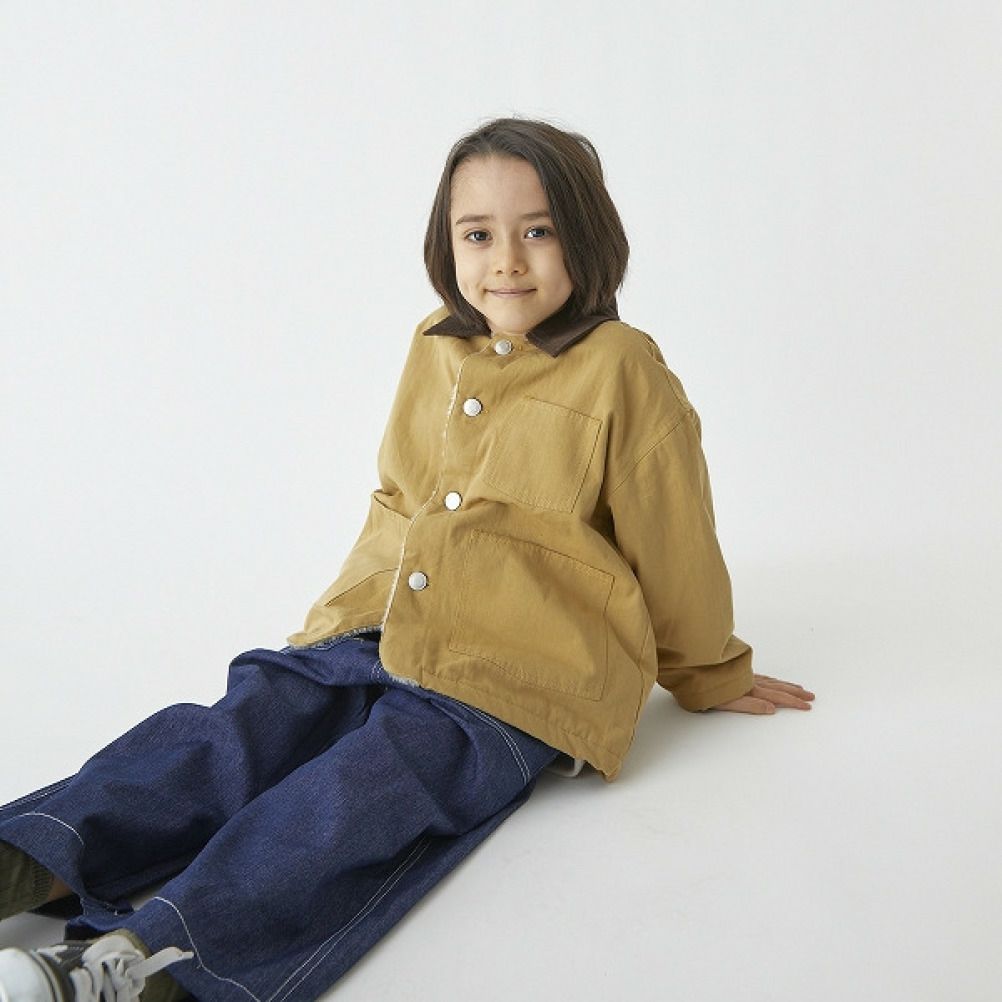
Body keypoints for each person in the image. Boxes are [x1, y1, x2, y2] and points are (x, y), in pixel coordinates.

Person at [0, 117, 814, 1002]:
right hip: (383, 623)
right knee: (234, 730)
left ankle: (144, 964)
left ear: (587, 236)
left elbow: (675, 536)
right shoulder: (436, 343)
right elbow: (399, 495)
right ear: (446, 244)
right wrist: (335, 627)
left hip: (514, 673)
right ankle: (29, 860)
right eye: (479, 235)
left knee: (358, 793)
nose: (507, 261)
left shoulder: (622, 367)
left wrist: (707, 671)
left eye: (538, 230)